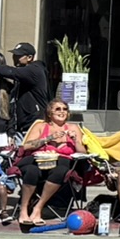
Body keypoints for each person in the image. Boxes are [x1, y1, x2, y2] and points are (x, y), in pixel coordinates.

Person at [16, 97, 85, 227]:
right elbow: (27, 146)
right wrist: (48, 138)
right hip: (38, 160)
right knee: (31, 171)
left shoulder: (73, 128)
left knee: (61, 169)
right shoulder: (41, 126)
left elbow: (83, 153)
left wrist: (75, 140)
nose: (62, 111)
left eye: (65, 109)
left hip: (61, 165)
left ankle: (38, 208)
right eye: (58, 109)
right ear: (49, 113)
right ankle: (23, 209)